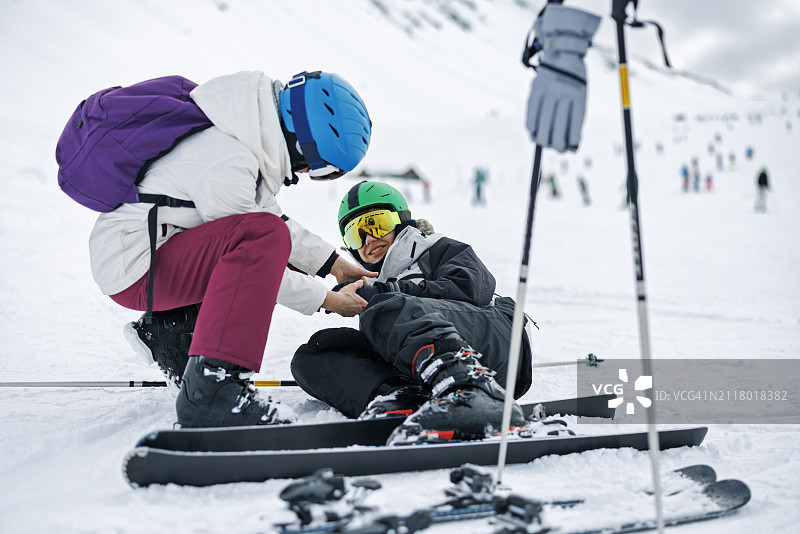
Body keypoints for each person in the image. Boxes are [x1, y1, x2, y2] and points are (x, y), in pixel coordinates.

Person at [90, 70, 375, 428]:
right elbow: (255, 255)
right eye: (315, 167)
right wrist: (327, 300)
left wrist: (334, 265)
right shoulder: (227, 160)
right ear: (304, 142)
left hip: (143, 253)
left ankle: (169, 331)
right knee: (262, 239)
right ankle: (215, 393)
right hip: (136, 269)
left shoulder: (240, 139)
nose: (303, 172)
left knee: (265, 234)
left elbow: (268, 219)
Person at [291, 181, 534, 444]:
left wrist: (384, 293)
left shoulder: (438, 248)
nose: (369, 239)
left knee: (389, 306)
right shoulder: (374, 286)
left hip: (500, 345)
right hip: (426, 370)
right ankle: (401, 398)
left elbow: (471, 289)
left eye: (377, 224)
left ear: (401, 220)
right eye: (356, 235)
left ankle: (475, 393)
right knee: (316, 352)